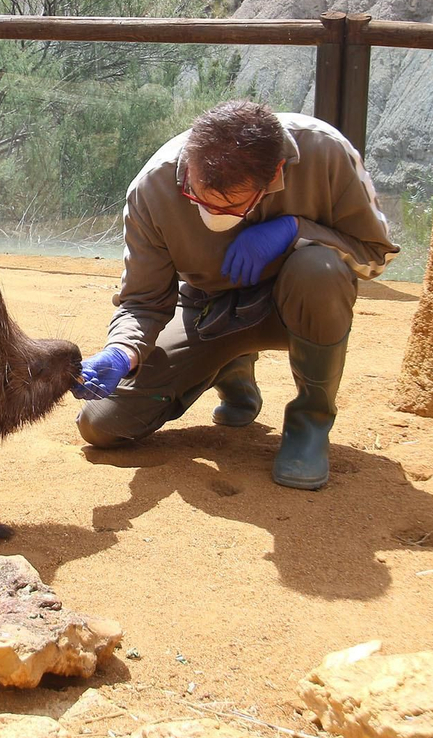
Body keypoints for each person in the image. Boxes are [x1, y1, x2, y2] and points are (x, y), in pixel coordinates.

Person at [71, 100, 397, 489]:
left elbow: (373, 257)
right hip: (208, 311)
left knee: (319, 270)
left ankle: (310, 422)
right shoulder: (153, 186)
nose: (210, 211)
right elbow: (144, 300)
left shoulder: (325, 151)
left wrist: (296, 231)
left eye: (231, 205)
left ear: (275, 175)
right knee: (102, 425)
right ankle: (230, 364)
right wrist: (122, 351)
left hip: (294, 308)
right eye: (197, 194)